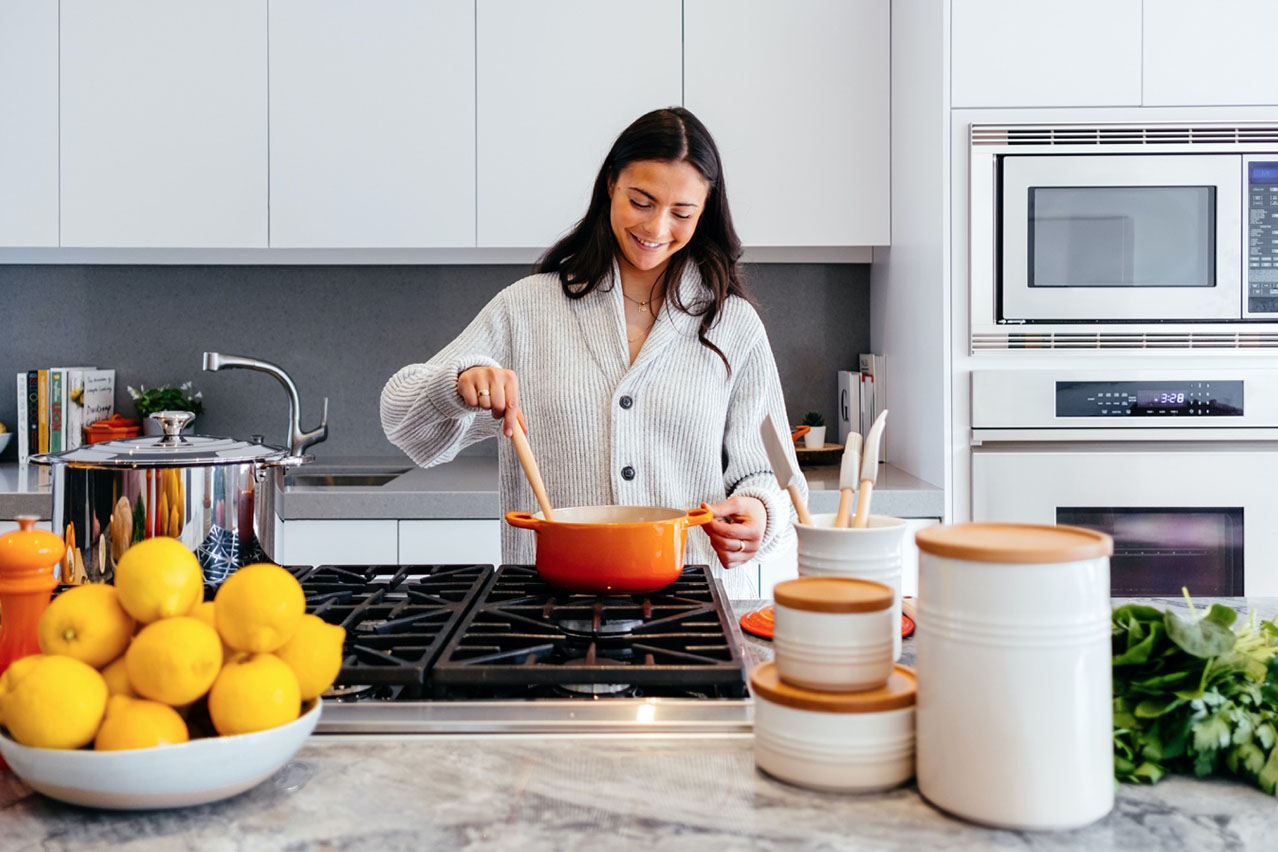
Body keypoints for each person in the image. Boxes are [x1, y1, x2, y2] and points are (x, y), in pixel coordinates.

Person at [380, 106, 803, 598]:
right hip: (545, 611)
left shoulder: (732, 324)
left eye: (682, 212)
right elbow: (402, 421)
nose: (657, 227)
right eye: (641, 201)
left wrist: (758, 511)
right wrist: (457, 384)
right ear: (610, 186)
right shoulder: (529, 308)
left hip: (689, 611)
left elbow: (771, 474)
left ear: (705, 211)